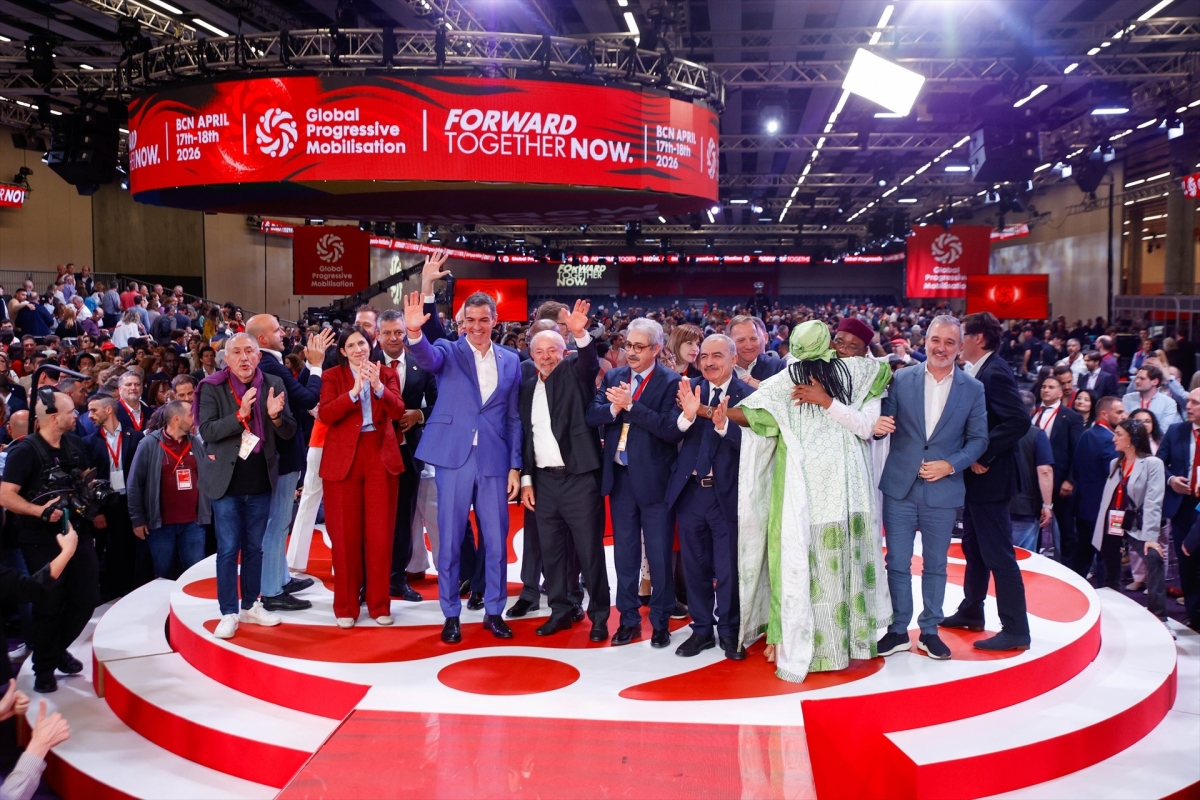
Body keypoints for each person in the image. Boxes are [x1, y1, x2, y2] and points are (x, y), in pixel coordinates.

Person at [732, 321, 891, 681]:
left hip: (849, 492)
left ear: (866, 348)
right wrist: (713, 411)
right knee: (803, 566)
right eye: (840, 340)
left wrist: (827, 401)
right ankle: (794, 641)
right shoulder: (798, 375)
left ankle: (842, 648)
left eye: (854, 344)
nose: (846, 347)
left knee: (842, 567)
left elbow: (865, 426)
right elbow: (758, 413)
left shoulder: (862, 377)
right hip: (805, 491)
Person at [403, 290, 522, 644]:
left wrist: (515, 466)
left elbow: (513, 418)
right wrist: (413, 333)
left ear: (494, 321)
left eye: (484, 320)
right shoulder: (450, 351)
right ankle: (451, 613)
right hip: (454, 456)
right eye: (469, 320)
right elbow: (426, 358)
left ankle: (494, 611)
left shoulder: (512, 359)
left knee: (497, 540)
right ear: (461, 323)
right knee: (451, 539)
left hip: (494, 459)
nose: (477, 326)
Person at [873, 316, 988, 661]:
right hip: (900, 487)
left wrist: (950, 464)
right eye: (936, 340)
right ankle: (897, 630)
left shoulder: (973, 388)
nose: (941, 347)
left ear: (960, 346)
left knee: (936, 564)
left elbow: (979, 440)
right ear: (925, 342)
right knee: (896, 561)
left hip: (943, 487)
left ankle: (930, 631)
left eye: (949, 342)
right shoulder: (902, 379)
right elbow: (884, 424)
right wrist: (877, 427)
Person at [586, 317, 685, 649]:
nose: (630, 351)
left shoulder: (671, 382)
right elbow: (592, 415)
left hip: (656, 482)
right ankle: (627, 619)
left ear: (656, 349)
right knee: (624, 557)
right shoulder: (614, 376)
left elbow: (670, 429)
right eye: (627, 344)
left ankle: (660, 622)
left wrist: (632, 406)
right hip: (620, 480)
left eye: (638, 347)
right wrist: (614, 408)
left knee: (658, 557)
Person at [517, 301, 610, 641]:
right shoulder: (526, 387)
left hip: (579, 480)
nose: (545, 356)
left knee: (588, 552)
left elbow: (589, 362)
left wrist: (580, 332)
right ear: (531, 355)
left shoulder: (575, 374)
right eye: (539, 351)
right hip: (543, 482)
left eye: (552, 349)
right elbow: (526, 437)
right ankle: (561, 609)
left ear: (564, 350)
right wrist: (527, 479)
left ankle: (599, 614)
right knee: (553, 553)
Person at [195, 333, 296, 640]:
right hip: (226, 482)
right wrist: (240, 415)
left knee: (255, 548)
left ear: (258, 355)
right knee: (227, 549)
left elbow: (290, 432)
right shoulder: (211, 386)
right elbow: (207, 430)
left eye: (249, 351)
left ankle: (251, 604)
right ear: (226, 358)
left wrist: (276, 417)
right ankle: (228, 612)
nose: (244, 357)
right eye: (236, 352)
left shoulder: (273, 383)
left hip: (261, 480)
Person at [942, 312, 1032, 652]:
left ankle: (1016, 628)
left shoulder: (994, 372)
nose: (957, 342)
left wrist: (982, 454)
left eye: (962, 335)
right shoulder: (981, 369)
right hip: (981, 481)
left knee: (998, 554)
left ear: (978, 338)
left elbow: (1018, 420)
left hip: (991, 478)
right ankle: (971, 610)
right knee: (975, 549)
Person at [0, 391, 99, 693]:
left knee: (86, 599)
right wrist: (39, 511)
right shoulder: (25, 451)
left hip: (75, 531)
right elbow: (5, 495)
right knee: (48, 603)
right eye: (71, 412)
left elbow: (83, 475)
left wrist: (92, 488)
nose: (76, 415)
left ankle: (55, 652)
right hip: (39, 538)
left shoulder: (74, 443)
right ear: (54, 417)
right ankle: (45, 666)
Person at [665, 334, 751, 660]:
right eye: (705, 356)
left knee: (728, 568)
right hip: (690, 492)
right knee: (694, 566)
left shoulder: (749, 396)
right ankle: (701, 630)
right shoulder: (687, 389)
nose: (710, 362)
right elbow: (670, 433)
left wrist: (722, 425)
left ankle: (730, 632)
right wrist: (688, 415)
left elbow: (754, 446)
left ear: (733, 360)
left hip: (726, 495)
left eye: (717, 356)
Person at [319, 326, 405, 628]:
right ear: (343, 351)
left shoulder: (387, 373)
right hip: (344, 460)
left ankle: (380, 603)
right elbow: (327, 414)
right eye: (352, 345)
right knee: (344, 537)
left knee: (380, 537)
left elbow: (398, 411)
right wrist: (354, 392)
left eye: (363, 344)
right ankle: (346, 606)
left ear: (371, 346)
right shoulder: (332, 377)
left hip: (380, 456)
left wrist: (378, 387)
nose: (359, 349)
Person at [245, 315, 328, 614]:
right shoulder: (267, 364)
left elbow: (295, 392)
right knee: (278, 524)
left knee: (279, 523)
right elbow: (306, 398)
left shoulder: (270, 363)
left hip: (280, 456)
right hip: (280, 456)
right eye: (278, 330)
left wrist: (307, 367)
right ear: (263, 339)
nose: (284, 333)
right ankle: (271, 590)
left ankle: (279, 579)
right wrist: (317, 365)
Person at [376, 309, 437, 602]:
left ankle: (397, 578)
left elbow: (440, 403)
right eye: (387, 333)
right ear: (378, 335)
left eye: (398, 332)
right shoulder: (364, 362)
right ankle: (369, 580)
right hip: (372, 454)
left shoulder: (420, 364)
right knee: (372, 518)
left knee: (404, 519)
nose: (393, 338)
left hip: (409, 453)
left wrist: (419, 415)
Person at [1092, 419, 1168, 625]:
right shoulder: (1115, 463)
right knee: (1109, 565)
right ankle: (1110, 606)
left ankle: (1159, 615)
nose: (1113, 438)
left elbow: (1153, 500)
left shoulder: (1152, 463)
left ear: (1132, 439)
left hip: (1137, 522)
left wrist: (1151, 537)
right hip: (1113, 520)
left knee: (1154, 558)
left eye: (1118, 434)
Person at [126, 400, 208, 579]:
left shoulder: (196, 443)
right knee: (163, 574)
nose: (195, 419)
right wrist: (137, 519)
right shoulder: (148, 444)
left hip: (193, 523)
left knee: (196, 574)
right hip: (161, 525)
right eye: (190, 415)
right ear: (177, 419)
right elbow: (134, 484)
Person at [83, 396, 145, 599]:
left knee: (127, 550)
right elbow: (87, 481)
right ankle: (107, 594)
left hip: (128, 503)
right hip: (104, 505)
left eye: (93, 410)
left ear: (108, 410)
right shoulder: (89, 442)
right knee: (104, 553)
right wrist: (96, 512)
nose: (90, 415)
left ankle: (130, 593)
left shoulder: (135, 437)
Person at [1157, 389, 1200, 631]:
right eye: (1189, 401)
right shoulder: (1176, 431)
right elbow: (1159, 462)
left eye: (1195, 402)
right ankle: (1194, 614)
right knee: (1186, 561)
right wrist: (1171, 479)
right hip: (1184, 506)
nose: (1189, 406)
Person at [1033, 372, 1084, 574]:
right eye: (1044, 386)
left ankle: (1068, 570)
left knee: (1064, 529)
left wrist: (1070, 480)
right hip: (1036, 480)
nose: (1045, 390)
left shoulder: (1071, 416)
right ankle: (1034, 563)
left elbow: (1078, 450)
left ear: (1061, 392)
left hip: (1061, 480)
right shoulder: (1034, 413)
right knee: (1034, 525)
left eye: (1051, 387)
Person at [1009, 391, 1056, 552]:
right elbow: (1045, 471)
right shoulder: (1037, 435)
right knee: (1022, 559)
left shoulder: (994, 431)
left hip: (995, 504)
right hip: (1025, 506)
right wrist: (1047, 505)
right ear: (1034, 411)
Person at [729, 315, 785, 389]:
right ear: (729, 343)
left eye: (753, 339)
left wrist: (762, 391)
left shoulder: (778, 367)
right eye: (741, 340)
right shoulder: (720, 369)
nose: (749, 346)